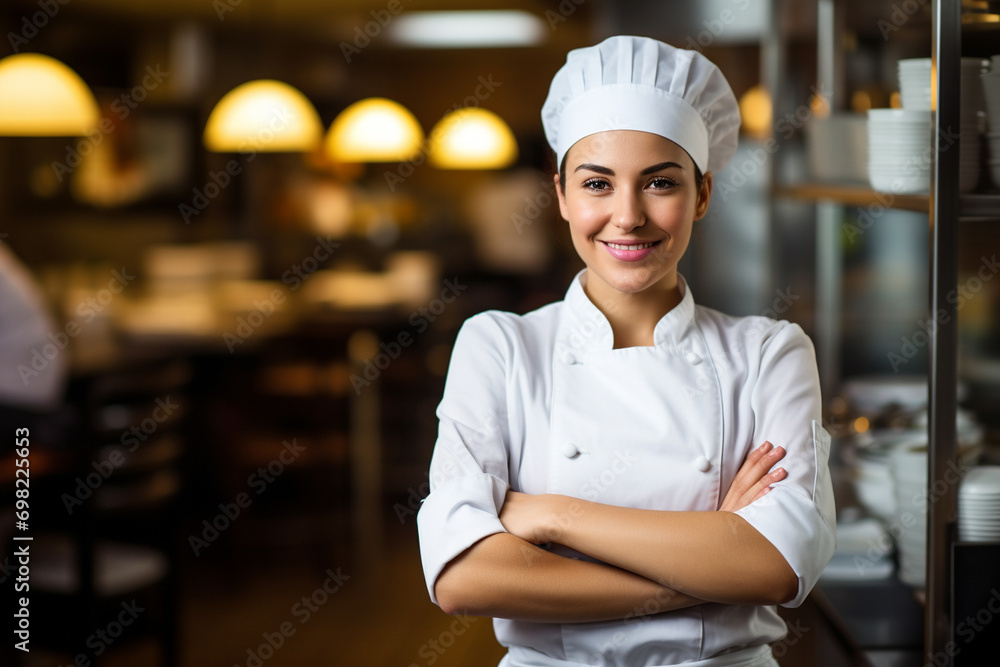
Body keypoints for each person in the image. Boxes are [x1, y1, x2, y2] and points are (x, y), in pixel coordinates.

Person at [416, 35, 836, 667]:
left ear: (702, 194)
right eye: (598, 184)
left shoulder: (769, 353)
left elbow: (776, 567)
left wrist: (553, 517)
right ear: (560, 195)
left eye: (660, 183)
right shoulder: (499, 345)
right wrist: (713, 566)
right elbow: (463, 578)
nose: (628, 215)